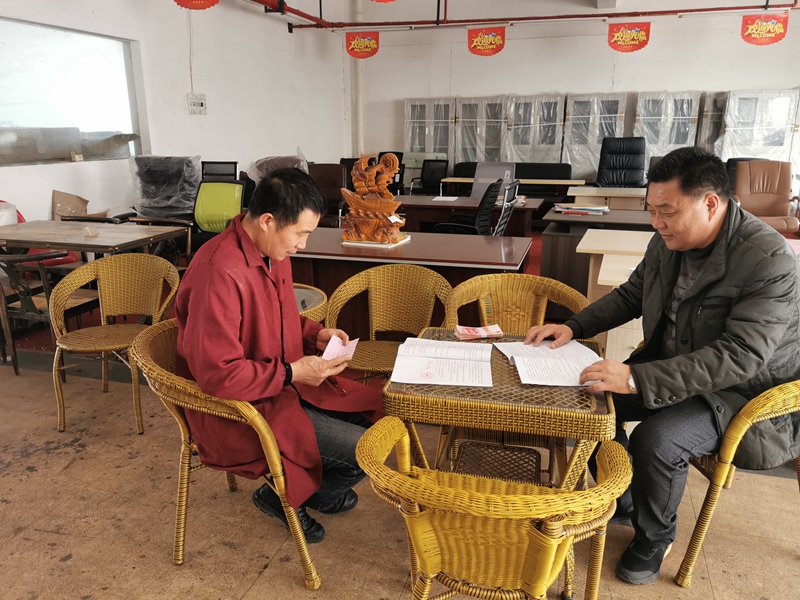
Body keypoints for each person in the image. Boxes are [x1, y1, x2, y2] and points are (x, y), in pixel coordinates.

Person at [525, 147, 800, 585]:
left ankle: (655, 536)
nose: (656, 222)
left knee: (657, 439)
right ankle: (627, 500)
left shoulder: (768, 260)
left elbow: (742, 356)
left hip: (738, 391)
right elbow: (631, 294)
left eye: (667, 212)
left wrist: (635, 377)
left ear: (710, 203)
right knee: (582, 403)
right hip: (674, 365)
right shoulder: (670, 240)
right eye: (652, 211)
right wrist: (573, 326)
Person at [174, 167, 384, 544]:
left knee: (379, 419)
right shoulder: (218, 273)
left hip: (280, 385)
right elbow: (218, 375)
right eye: (301, 233)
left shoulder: (272, 251)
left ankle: (312, 493)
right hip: (242, 408)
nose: (302, 245)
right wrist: (292, 373)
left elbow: (280, 316)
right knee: (365, 450)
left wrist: (315, 334)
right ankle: (285, 497)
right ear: (268, 221)